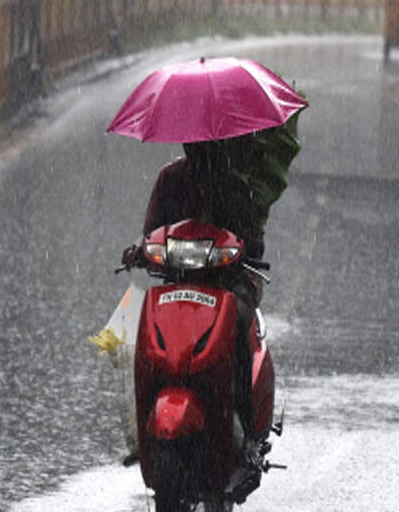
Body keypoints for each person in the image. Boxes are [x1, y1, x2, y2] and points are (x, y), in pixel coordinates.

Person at [121, 118, 301, 449]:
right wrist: (139, 251)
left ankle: (245, 426)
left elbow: (254, 238)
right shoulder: (169, 179)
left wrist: (241, 249)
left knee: (239, 321)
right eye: (191, 140)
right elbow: (150, 232)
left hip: (232, 282)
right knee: (143, 330)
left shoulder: (239, 182)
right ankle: (141, 431)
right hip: (177, 283)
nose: (197, 146)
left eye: (205, 141)